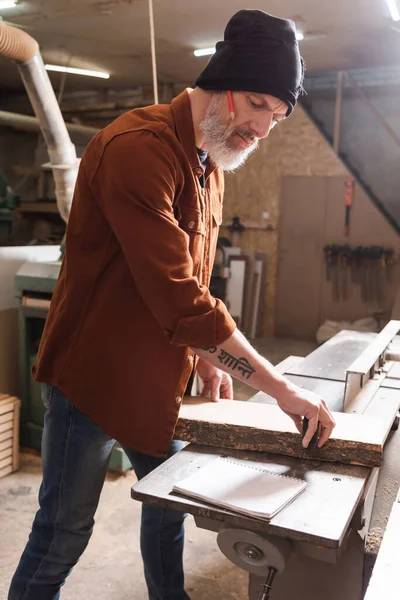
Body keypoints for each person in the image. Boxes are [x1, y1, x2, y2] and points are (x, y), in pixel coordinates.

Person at [8, 9, 335, 600]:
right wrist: (278, 387)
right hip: (94, 382)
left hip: (162, 379)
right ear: (223, 83)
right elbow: (181, 299)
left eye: (278, 117)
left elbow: (193, 281)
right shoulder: (139, 150)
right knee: (63, 533)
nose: (263, 129)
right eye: (258, 104)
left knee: (169, 508)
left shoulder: (213, 162)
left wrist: (209, 358)